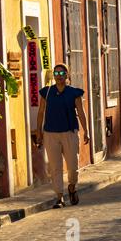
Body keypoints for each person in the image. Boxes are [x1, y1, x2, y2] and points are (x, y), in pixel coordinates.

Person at [36, 64, 90, 208]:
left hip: (69, 133)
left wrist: (86, 130)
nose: (58, 75)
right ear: (53, 75)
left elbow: (81, 112)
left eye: (61, 72)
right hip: (50, 134)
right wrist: (39, 132)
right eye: (56, 73)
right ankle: (59, 197)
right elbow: (41, 112)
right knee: (55, 167)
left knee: (73, 166)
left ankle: (72, 186)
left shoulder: (74, 93)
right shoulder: (47, 92)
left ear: (67, 75)